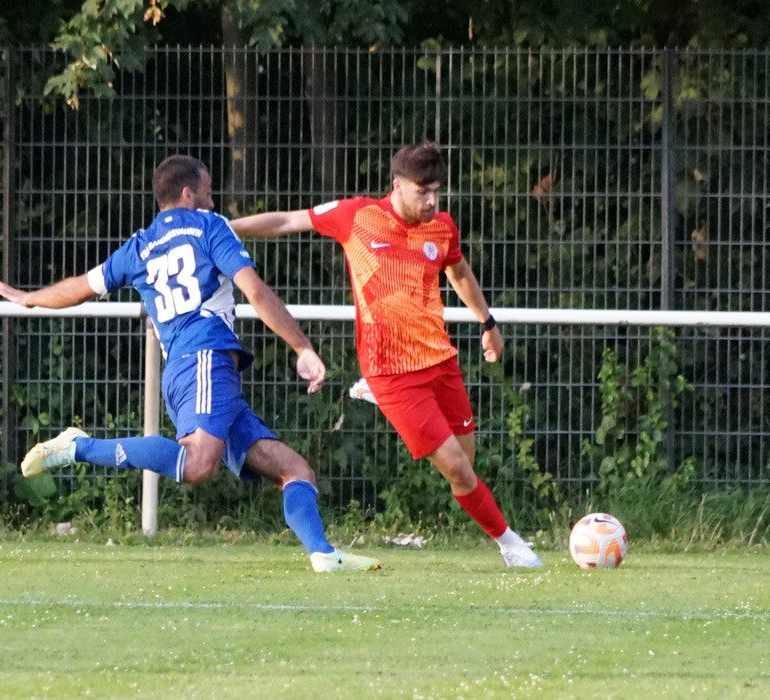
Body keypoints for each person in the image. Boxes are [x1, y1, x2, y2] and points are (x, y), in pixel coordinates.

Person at [0, 155, 380, 574]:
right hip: (205, 361)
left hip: (187, 372)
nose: (213, 199)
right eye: (208, 191)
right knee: (196, 465)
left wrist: (30, 297)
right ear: (187, 193)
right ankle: (78, 447)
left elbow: (79, 287)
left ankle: (323, 554)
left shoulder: (140, 245)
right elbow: (255, 290)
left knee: (294, 470)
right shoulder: (210, 227)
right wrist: (301, 346)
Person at [230, 141, 542, 568]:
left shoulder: (442, 227)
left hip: (440, 362)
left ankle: (502, 534)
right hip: (391, 371)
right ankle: (513, 546)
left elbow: (459, 271)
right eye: (422, 191)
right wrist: (223, 228)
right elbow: (287, 220)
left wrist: (487, 323)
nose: (432, 200)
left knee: (465, 463)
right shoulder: (357, 217)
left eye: (437, 190)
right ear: (396, 185)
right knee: (456, 467)